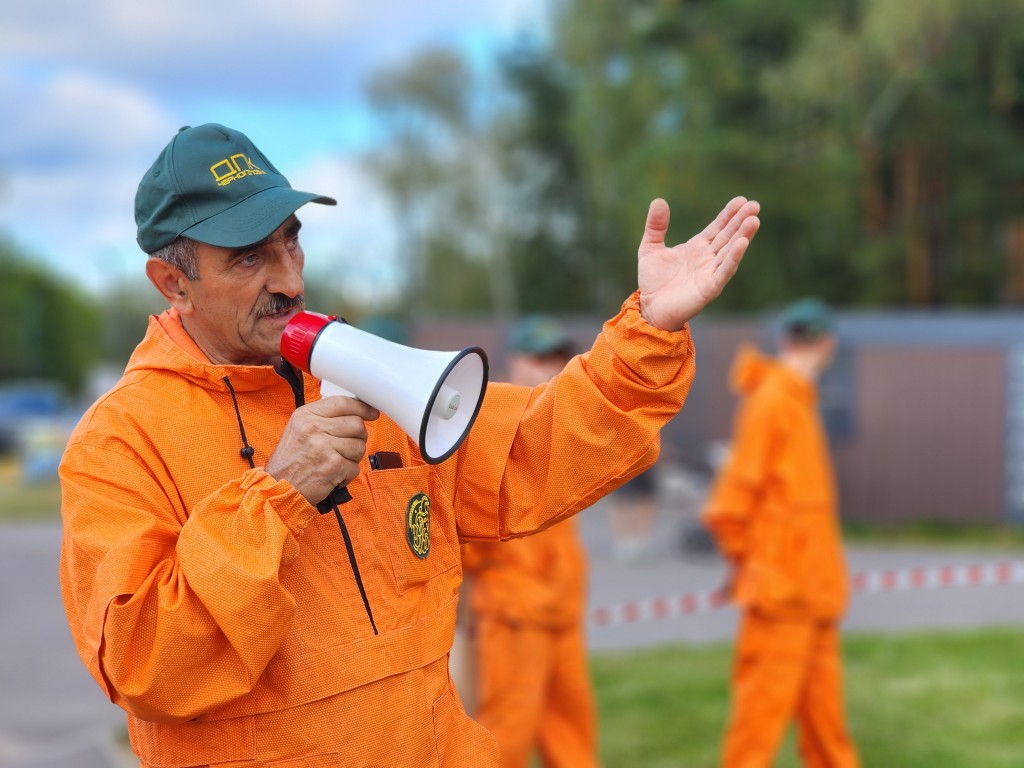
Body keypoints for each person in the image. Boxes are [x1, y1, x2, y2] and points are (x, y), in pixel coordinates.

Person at [58, 122, 760, 768]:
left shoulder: (355, 372)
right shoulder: (118, 442)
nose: (291, 279)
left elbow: (534, 451)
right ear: (172, 282)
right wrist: (277, 495)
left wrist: (651, 333)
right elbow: (145, 662)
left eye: (291, 240)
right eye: (249, 259)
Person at [701, 298, 860, 768]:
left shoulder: (797, 401)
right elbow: (729, 509)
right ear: (827, 345)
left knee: (828, 729)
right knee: (757, 731)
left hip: (814, 600)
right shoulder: (772, 401)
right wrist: (760, 570)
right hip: (780, 601)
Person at [459, 315, 599, 768]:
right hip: (513, 617)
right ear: (514, 361)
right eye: (539, 357)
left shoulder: (560, 426)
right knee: (505, 743)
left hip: (562, 614)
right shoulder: (490, 426)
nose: (550, 367)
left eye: (558, 358)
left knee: (573, 741)